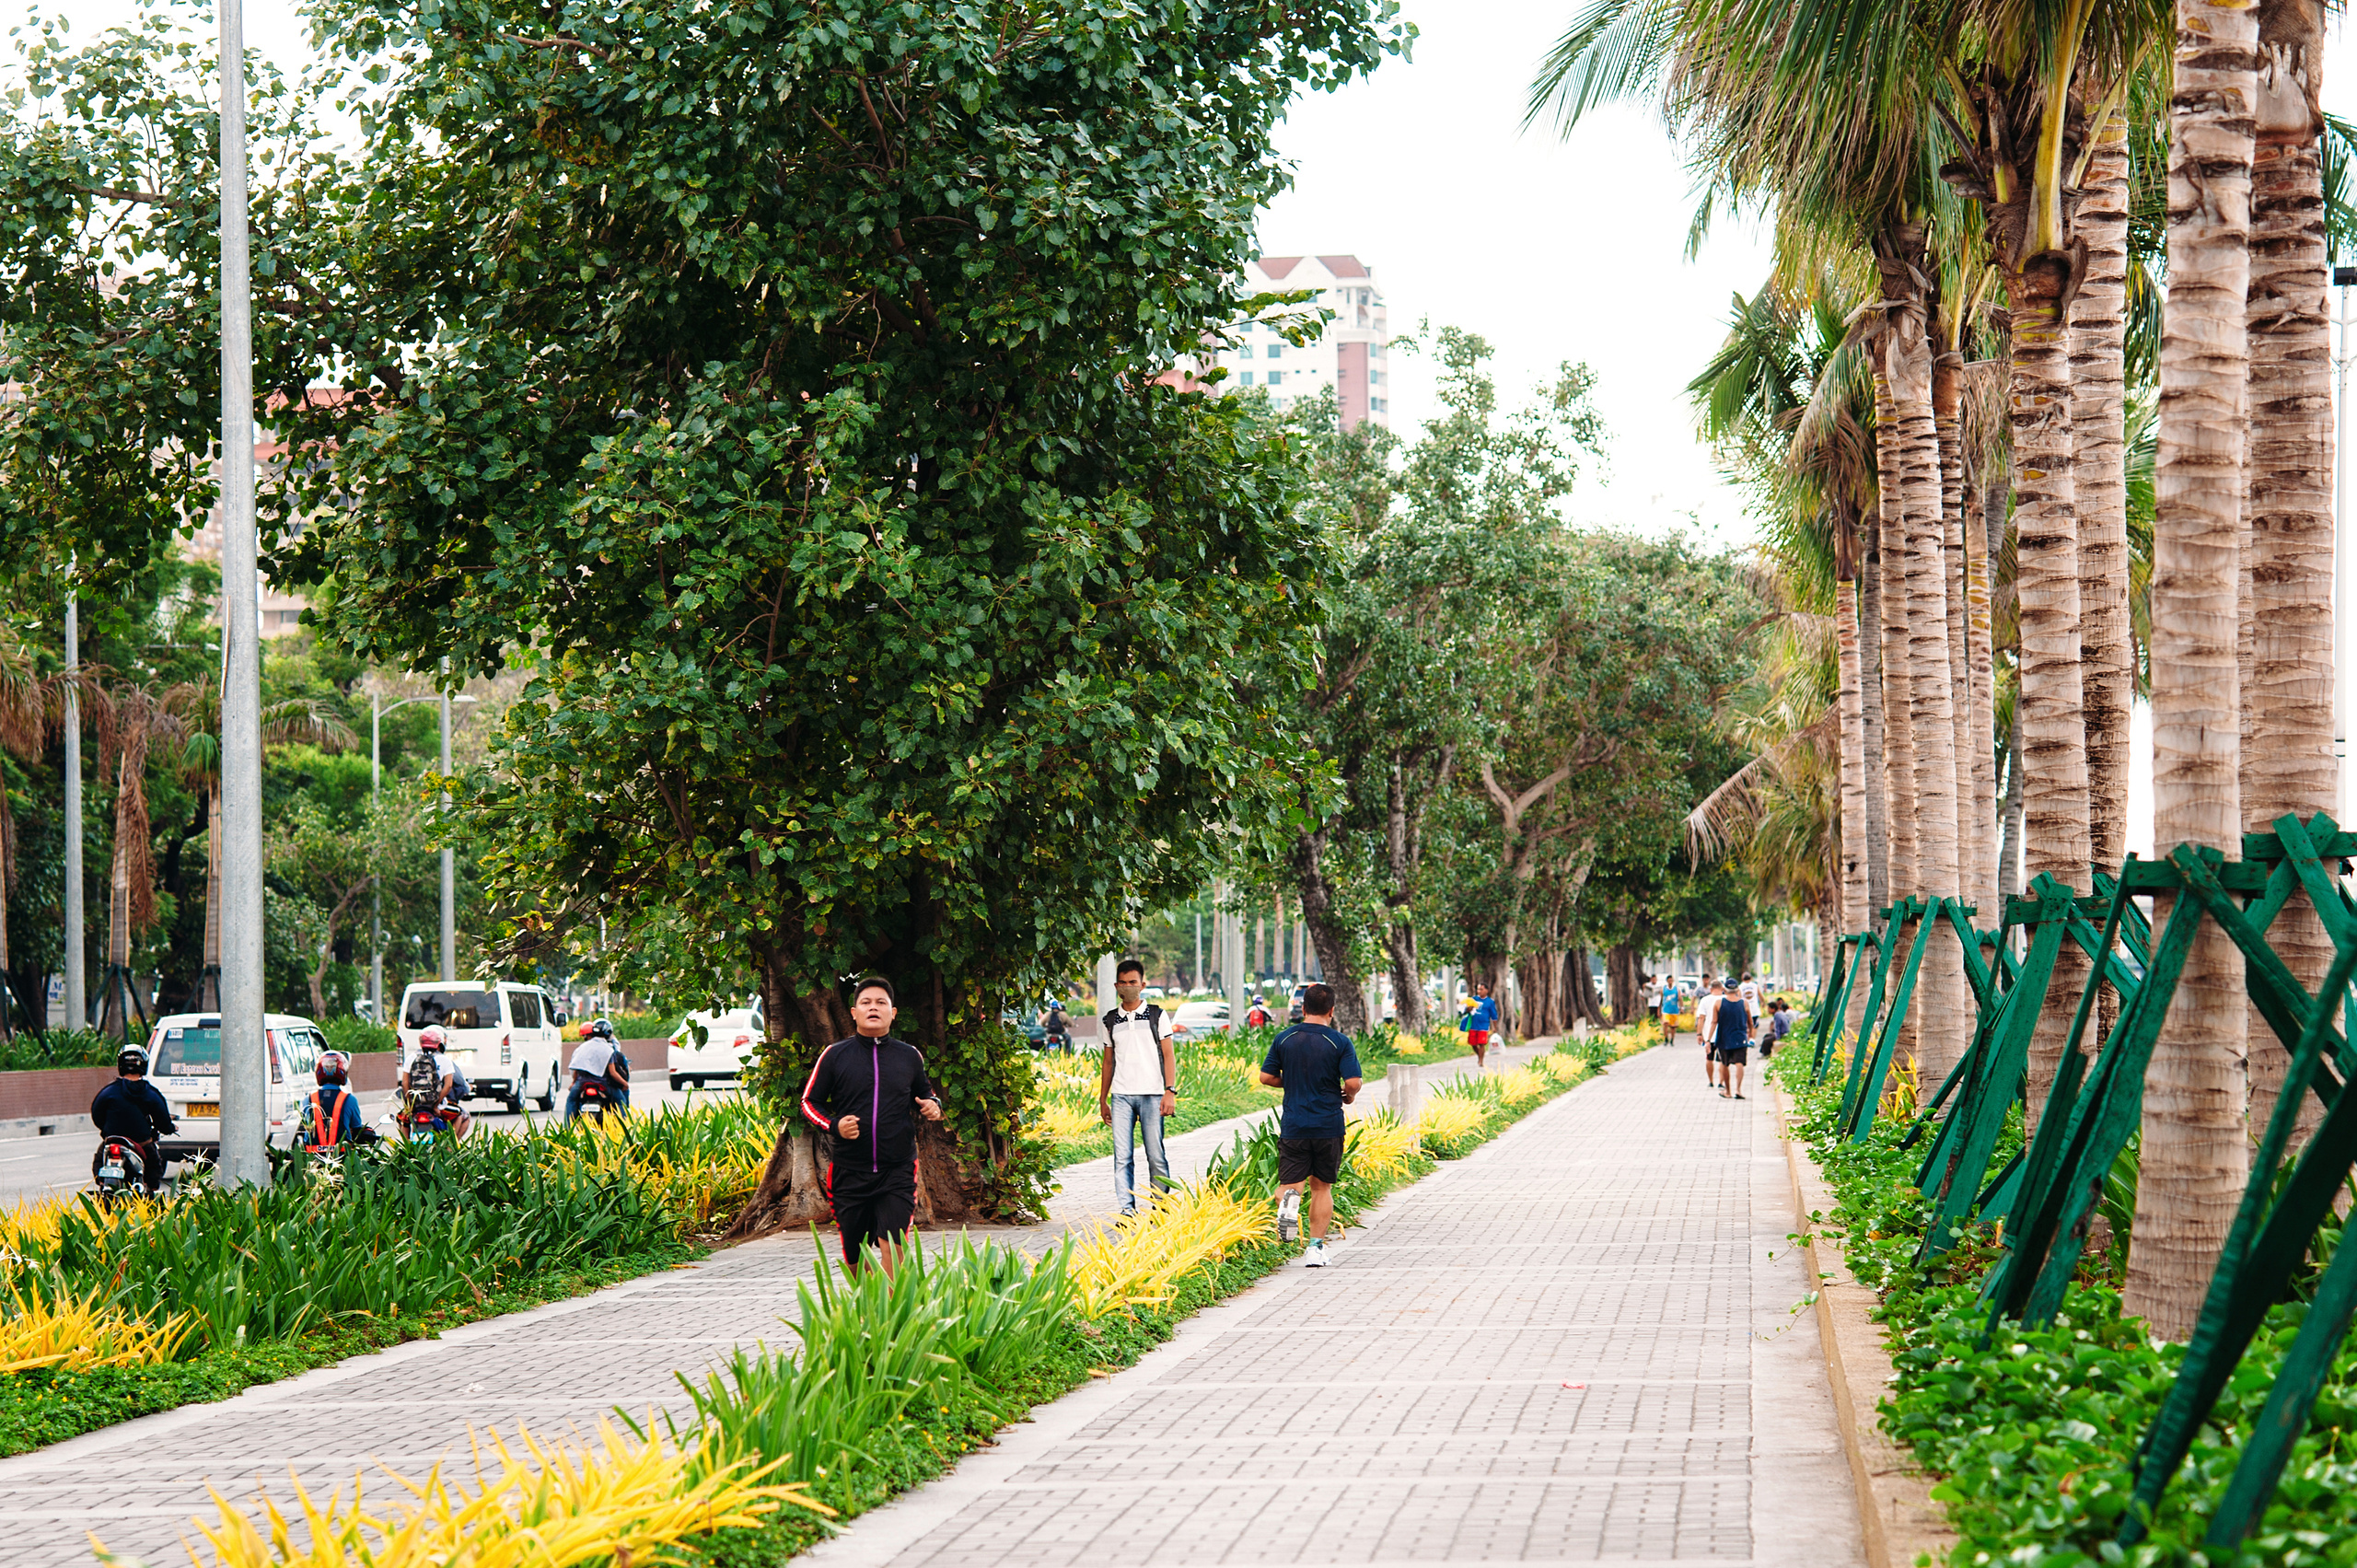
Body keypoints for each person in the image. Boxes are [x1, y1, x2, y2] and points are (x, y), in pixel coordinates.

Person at [798, 975, 945, 1275]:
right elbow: (809, 1103)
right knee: (855, 1252)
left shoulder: (909, 1056)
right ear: (854, 1013)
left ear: (893, 1012)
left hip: (898, 1169)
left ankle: (894, 1314)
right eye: (865, 1003)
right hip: (850, 1171)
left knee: (892, 1239)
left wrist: (934, 1105)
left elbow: (926, 1095)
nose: (873, 1008)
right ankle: (867, 1310)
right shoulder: (835, 1056)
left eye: (881, 1002)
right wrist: (835, 1125)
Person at [1259, 981, 1363, 1268]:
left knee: (1289, 1186)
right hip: (1328, 1125)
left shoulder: (1284, 1039)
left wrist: (1289, 1082)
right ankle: (1315, 1249)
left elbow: (1265, 1077)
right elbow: (1353, 1082)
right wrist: (1348, 1095)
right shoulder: (1339, 1042)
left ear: (1302, 1009)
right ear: (1331, 1010)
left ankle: (1286, 1205)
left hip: (1294, 1125)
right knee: (1321, 1188)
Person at [1097, 958, 1178, 1215]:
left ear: (1143, 984)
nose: (1128, 986)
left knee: (1155, 1155)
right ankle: (1127, 1209)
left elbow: (1169, 1055)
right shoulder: (1110, 1021)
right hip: (1121, 1096)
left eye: (1133, 982)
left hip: (1153, 1095)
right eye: (1123, 982)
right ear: (1116, 986)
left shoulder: (1157, 1015)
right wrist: (1103, 1099)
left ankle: (1161, 1207)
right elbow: (1108, 1062)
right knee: (1122, 1156)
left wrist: (1170, 1091)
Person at [89, 1045, 174, 1193]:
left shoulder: (108, 1092)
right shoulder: (152, 1094)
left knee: (99, 1159)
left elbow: (96, 1113)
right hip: (141, 1143)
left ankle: (102, 1184)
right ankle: (149, 1195)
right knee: (153, 1168)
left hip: (113, 1140)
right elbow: (163, 1121)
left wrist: (106, 1129)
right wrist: (170, 1128)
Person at [301, 1049, 377, 1153]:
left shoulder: (308, 1099)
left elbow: (305, 1129)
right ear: (343, 1072)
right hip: (342, 1156)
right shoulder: (349, 1099)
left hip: (312, 1157)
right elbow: (356, 1129)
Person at [411, 1026, 474, 1138]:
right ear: (439, 1043)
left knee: (403, 1120)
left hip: (417, 1106)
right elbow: (450, 1085)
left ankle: (406, 1148)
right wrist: (436, 1104)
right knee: (461, 1115)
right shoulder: (445, 1060)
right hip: (439, 1105)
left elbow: (405, 1084)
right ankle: (450, 1148)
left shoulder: (412, 1058)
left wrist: (410, 1105)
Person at [566, 1018, 632, 1121]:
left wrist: (573, 1083)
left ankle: (568, 1128)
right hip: (603, 1083)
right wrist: (625, 1084)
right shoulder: (609, 1049)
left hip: (582, 1082)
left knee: (571, 1100)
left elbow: (576, 1069)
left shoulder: (582, 1047)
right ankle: (625, 1127)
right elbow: (613, 1073)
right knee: (620, 1101)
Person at [1714, 982, 1754, 1099]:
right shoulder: (1744, 1003)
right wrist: (1750, 1033)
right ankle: (1738, 1090)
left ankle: (1728, 1091)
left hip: (1724, 1037)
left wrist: (1707, 1039)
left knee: (1725, 1064)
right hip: (1740, 1037)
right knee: (1739, 1063)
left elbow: (1714, 1022)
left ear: (1724, 990)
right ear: (1737, 990)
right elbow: (1750, 1021)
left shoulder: (1719, 1003)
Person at [1461, 981, 1501, 1069]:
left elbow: (1494, 1015)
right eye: (1478, 989)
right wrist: (1468, 1009)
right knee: (1473, 1043)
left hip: (1484, 1025)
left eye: (1481, 989)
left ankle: (1481, 1061)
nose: (1479, 991)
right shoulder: (1473, 999)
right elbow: (1465, 1010)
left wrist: (1495, 1027)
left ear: (1487, 990)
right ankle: (1479, 1055)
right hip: (1473, 1025)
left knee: (1481, 1043)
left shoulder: (1490, 1002)